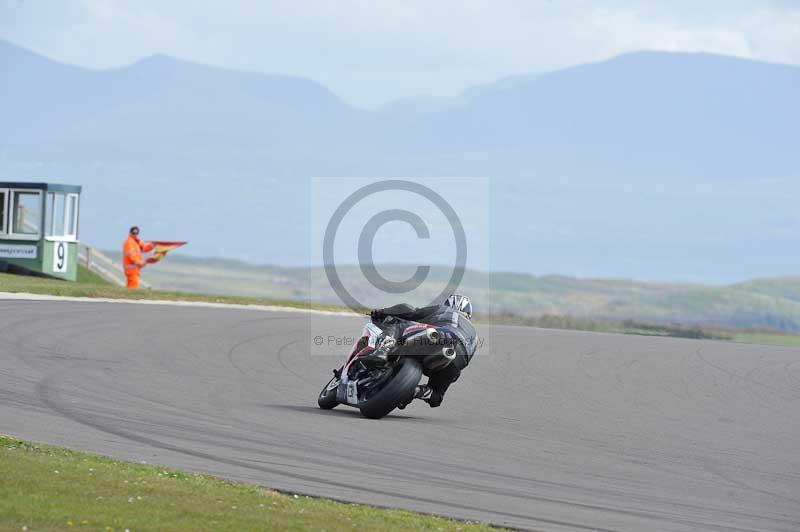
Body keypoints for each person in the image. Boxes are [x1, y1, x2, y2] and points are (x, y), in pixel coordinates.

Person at [370, 294, 476, 408]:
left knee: (398, 324)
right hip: (457, 360)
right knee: (436, 395)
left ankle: (381, 352)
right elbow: (466, 361)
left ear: (448, 305)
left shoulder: (443, 310)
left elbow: (409, 310)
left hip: (440, 336)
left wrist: (382, 312)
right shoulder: (473, 333)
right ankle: (416, 391)